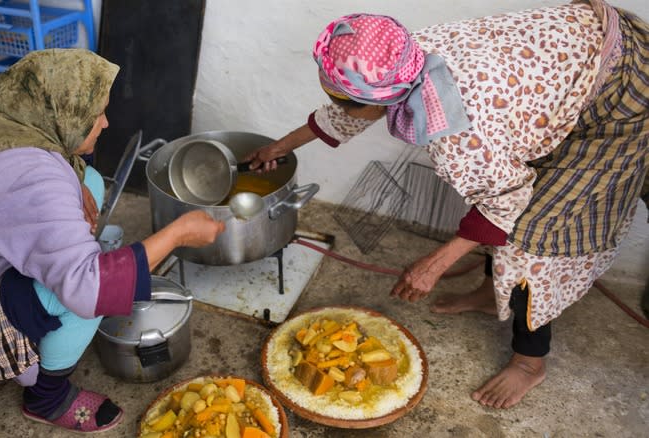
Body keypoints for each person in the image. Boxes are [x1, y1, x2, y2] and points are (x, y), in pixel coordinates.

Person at [246, 0, 648, 409]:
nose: (347, 106)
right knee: (495, 191)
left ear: (382, 98)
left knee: (531, 235)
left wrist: (433, 265)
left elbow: (503, 203)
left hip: (621, 93)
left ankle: (530, 363)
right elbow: (351, 110)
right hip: (575, 57)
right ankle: (493, 293)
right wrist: (279, 147)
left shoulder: (462, 137)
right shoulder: (400, 57)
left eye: (349, 100)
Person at [0, 49, 225, 433]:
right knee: (86, 291)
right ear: (62, 111)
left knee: (91, 183)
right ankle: (46, 399)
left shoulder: (3, 123)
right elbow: (90, 288)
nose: (105, 122)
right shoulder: (36, 179)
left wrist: (74, 178)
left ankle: (43, 296)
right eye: (95, 113)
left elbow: (56, 172)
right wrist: (178, 233)